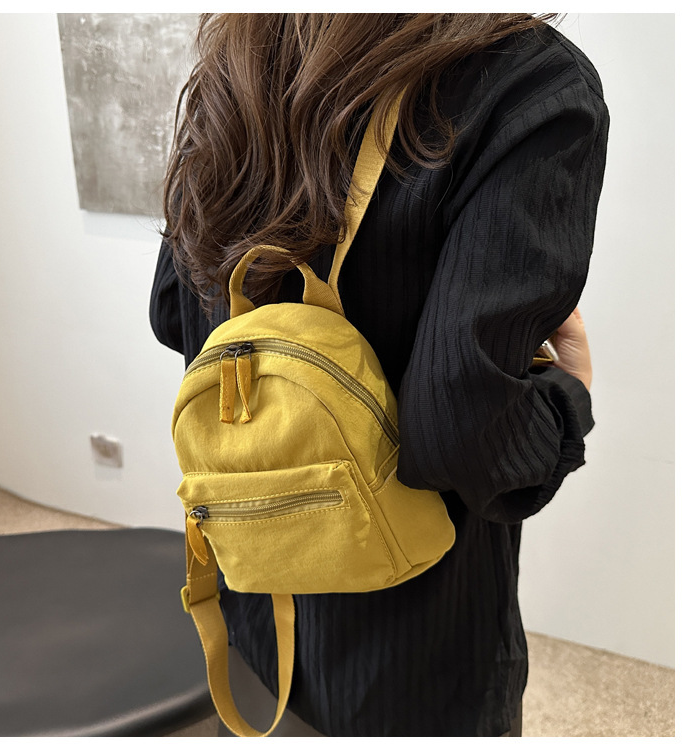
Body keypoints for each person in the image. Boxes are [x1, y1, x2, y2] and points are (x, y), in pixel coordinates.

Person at [150, 13, 608, 737]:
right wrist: (568, 398)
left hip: (256, 592)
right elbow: (462, 436)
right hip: (419, 645)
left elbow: (172, 312)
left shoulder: (237, 57)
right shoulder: (526, 78)